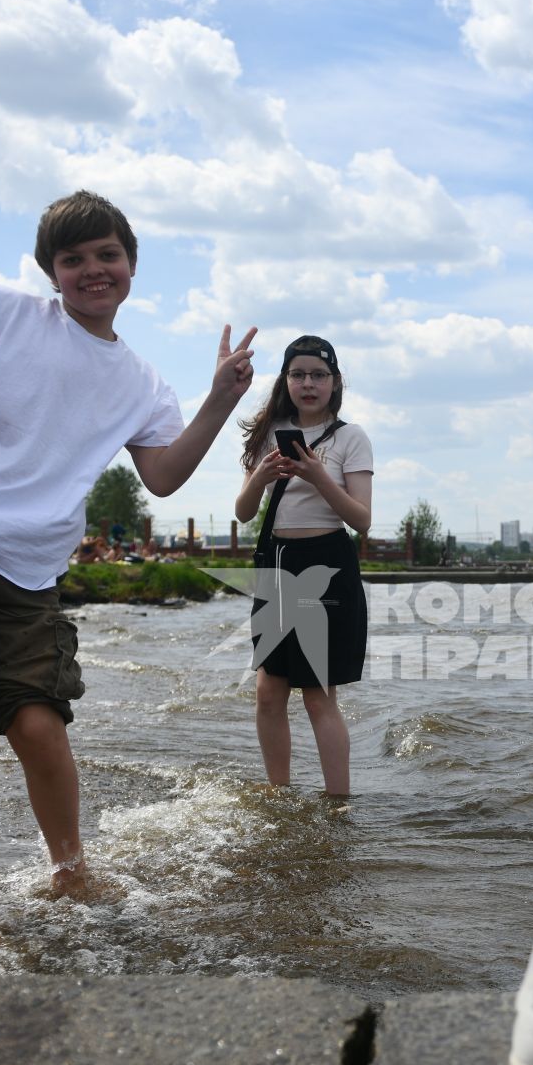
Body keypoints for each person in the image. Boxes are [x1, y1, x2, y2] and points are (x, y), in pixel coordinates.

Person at [0, 189, 258, 914]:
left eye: (106, 254)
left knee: (38, 718)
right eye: (72, 259)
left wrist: (221, 400)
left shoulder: (141, 381)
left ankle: (71, 870)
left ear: (132, 265)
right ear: (52, 272)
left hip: (27, 557)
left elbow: (165, 477)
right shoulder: (5, 308)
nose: (91, 269)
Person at [234, 335, 373, 796]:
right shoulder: (268, 431)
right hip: (276, 563)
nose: (308, 383)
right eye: (298, 375)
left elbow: (361, 520)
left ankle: (338, 803)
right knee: (268, 693)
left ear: (335, 383)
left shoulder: (351, 437)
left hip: (327, 563)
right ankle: (280, 795)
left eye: (318, 375)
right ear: (285, 381)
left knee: (317, 695)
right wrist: (260, 477)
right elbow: (243, 512)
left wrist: (317, 476)